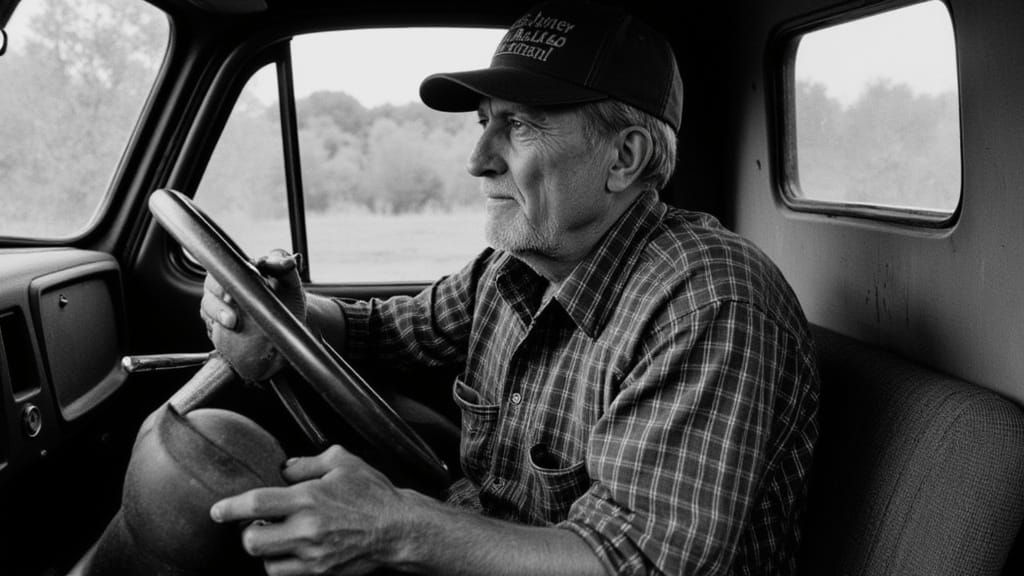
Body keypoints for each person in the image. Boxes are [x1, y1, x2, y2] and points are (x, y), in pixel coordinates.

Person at [200, 0, 820, 574]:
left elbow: (634, 562)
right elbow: (385, 332)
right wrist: (292, 311)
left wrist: (395, 527)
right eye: (484, 122)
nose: (477, 159)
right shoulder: (514, 267)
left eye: (519, 126)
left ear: (624, 158)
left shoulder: (707, 304)